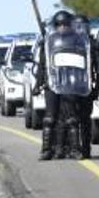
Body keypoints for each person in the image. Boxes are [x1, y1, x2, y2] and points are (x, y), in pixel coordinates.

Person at [34, 9, 87, 160]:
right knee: (49, 118)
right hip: (52, 83)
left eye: (65, 25)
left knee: (71, 119)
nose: (62, 28)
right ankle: (46, 150)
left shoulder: (78, 40)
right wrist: (38, 84)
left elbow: (83, 63)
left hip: (70, 83)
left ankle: (75, 149)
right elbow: (42, 65)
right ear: (55, 26)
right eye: (59, 25)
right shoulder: (49, 42)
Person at [70, 13, 99, 159]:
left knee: (85, 119)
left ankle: (85, 149)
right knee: (72, 120)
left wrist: (96, 89)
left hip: (86, 88)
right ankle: (75, 149)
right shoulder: (68, 45)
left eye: (83, 26)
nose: (80, 30)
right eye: (77, 27)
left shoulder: (93, 45)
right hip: (70, 88)